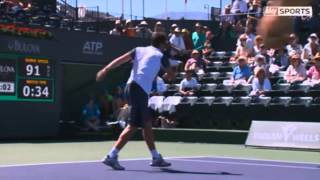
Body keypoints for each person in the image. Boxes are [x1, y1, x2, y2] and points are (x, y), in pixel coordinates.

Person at [96, 32, 171, 170]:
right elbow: (171, 75)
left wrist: (106, 69)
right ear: (161, 43)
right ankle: (111, 156)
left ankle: (155, 157)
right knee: (133, 126)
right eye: (166, 42)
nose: (167, 45)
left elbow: (120, 60)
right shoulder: (162, 56)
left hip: (130, 87)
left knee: (147, 124)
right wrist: (169, 72)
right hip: (139, 90)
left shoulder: (138, 50)